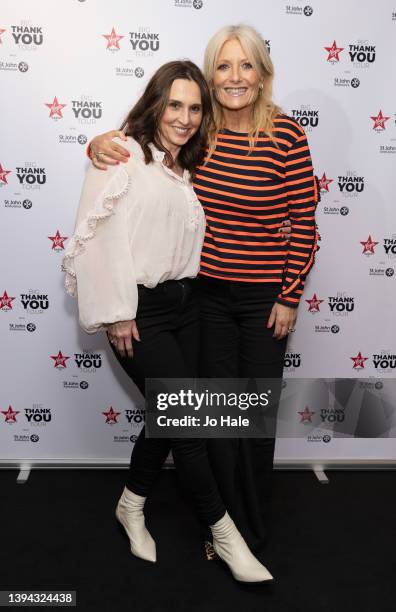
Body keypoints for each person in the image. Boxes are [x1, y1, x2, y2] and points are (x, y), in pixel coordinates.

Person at [88, 24, 319, 554]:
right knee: (213, 415)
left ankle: (252, 523)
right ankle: (221, 528)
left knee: (253, 416)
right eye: (223, 66)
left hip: (265, 301)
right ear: (210, 75)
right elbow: (140, 150)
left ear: (262, 75)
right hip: (205, 298)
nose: (234, 77)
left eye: (246, 66)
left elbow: (304, 221)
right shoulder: (199, 129)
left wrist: (289, 295)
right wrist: (98, 142)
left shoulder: (288, 135)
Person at [62, 60, 274, 583]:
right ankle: (226, 537)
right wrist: (116, 312)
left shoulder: (188, 166)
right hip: (139, 312)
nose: (184, 117)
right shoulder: (123, 156)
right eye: (174, 105)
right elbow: (95, 241)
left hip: (191, 306)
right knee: (189, 418)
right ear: (155, 103)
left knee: (173, 414)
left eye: (195, 108)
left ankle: (130, 504)